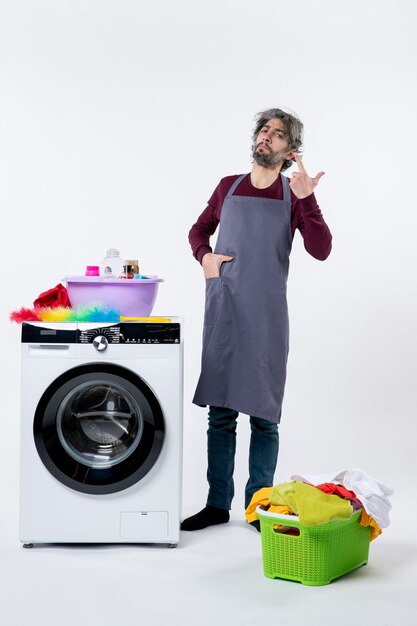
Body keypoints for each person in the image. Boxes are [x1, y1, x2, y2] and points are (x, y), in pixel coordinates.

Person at [182, 108, 332, 531]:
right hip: (225, 308)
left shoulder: (292, 195)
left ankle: (258, 508)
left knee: (264, 416)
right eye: (265, 130)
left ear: (289, 151)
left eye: (279, 134)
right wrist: (205, 257)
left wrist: (308, 198)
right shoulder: (227, 187)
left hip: (266, 317)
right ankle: (216, 504)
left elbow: (321, 250)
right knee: (221, 412)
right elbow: (198, 230)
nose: (268, 136)